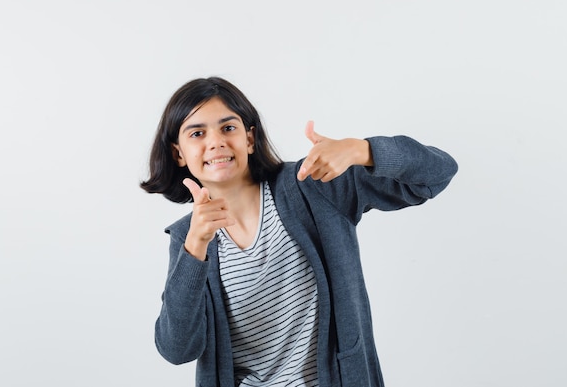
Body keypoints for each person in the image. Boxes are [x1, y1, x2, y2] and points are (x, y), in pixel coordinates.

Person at [140, 77, 458, 387]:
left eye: (228, 127)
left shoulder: (311, 186)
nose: (216, 142)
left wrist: (363, 151)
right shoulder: (188, 238)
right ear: (179, 153)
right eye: (197, 133)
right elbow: (177, 349)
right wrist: (195, 248)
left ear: (249, 139)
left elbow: (439, 172)